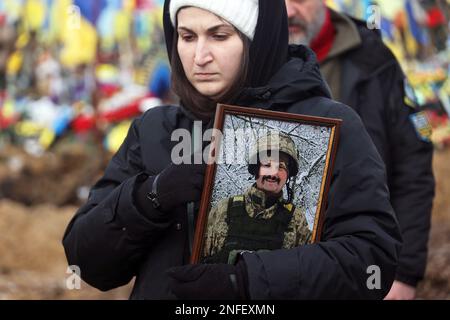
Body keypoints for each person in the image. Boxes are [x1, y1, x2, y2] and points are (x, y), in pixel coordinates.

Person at [63, 0, 402, 300]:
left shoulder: (329, 125)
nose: (200, 56)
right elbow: (86, 263)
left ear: (256, 39)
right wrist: (147, 199)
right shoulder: (155, 129)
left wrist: (246, 279)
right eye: (187, 36)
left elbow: (370, 260)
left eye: (219, 35)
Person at [285, 0, 435, 300]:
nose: (288, 10)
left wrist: (403, 272)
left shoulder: (375, 59)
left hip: (362, 272)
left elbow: (413, 166)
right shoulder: (246, 61)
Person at [203, 132, 311, 265]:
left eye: (281, 167)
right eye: (267, 165)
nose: (273, 173)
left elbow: (305, 272)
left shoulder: (297, 221)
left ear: (287, 176)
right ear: (256, 169)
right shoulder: (223, 210)